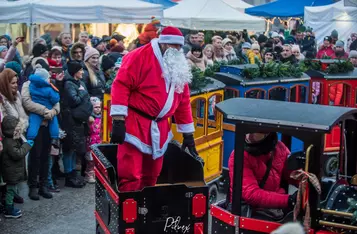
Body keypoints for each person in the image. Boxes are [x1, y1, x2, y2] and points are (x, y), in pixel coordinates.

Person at [110, 26, 197, 192]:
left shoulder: (178, 65)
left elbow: (183, 101)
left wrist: (188, 135)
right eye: (173, 46)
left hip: (161, 126)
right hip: (136, 123)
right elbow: (121, 85)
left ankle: (146, 207)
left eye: (179, 47)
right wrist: (119, 120)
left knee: (153, 173)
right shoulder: (139, 56)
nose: (177, 50)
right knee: (131, 173)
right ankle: (129, 209)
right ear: (163, 43)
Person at [228, 133, 297, 215]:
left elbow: (293, 174)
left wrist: (306, 184)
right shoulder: (239, 156)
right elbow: (251, 195)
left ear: (267, 134)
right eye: (247, 131)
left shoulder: (280, 148)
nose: (249, 136)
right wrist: (289, 200)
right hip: (251, 212)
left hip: (274, 207)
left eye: (256, 132)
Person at [61, 61, 92, 188]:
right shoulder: (69, 84)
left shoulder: (80, 83)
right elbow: (74, 100)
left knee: (75, 149)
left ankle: (74, 174)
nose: (82, 72)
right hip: (71, 121)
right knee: (69, 149)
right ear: (75, 72)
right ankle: (69, 175)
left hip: (79, 121)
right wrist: (83, 94)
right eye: (80, 70)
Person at [1, 115, 32, 219]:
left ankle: (8, 206)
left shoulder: (12, 139)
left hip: (12, 170)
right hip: (11, 172)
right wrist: (27, 146)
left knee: (11, 189)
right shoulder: (9, 142)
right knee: (11, 190)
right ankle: (9, 209)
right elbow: (17, 154)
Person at [26, 67, 60, 148]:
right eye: (48, 78)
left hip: (36, 111)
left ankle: (30, 138)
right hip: (49, 109)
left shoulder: (31, 86)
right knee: (54, 122)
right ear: (44, 79)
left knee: (33, 123)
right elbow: (55, 99)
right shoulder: (49, 89)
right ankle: (55, 138)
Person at [85, 97, 102, 183]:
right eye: (96, 107)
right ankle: (89, 175)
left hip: (99, 141)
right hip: (91, 142)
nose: (98, 109)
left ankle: (97, 175)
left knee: (98, 160)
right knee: (90, 160)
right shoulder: (90, 119)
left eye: (99, 107)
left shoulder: (103, 117)